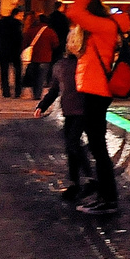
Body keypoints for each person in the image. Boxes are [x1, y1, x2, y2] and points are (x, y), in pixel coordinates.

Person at [66, 0, 122, 214]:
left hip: (98, 93)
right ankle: (104, 195)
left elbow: (73, 12)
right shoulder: (98, 28)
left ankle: (109, 199)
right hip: (92, 91)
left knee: (98, 147)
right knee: (97, 146)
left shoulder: (104, 26)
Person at [34, 27, 90, 201]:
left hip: (82, 110)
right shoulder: (62, 66)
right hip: (71, 110)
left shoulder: (82, 64)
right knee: (70, 146)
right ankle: (75, 182)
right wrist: (42, 106)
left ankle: (89, 178)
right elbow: (54, 90)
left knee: (73, 143)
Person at [0, 7, 25, 98]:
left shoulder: (0, 23)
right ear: (17, 14)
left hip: (3, 51)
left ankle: (6, 92)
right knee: (18, 71)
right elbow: (20, 38)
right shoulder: (17, 24)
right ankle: (18, 91)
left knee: (4, 72)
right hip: (14, 51)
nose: (22, 17)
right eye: (21, 15)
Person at [23, 14, 60, 99]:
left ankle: (34, 93)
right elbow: (55, 44)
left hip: (34, 57)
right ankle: (38, 94)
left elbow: (26, 42)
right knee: (41, 77)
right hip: (46, 58)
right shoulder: (50, 31)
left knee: (34, 76)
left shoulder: (31, 30)